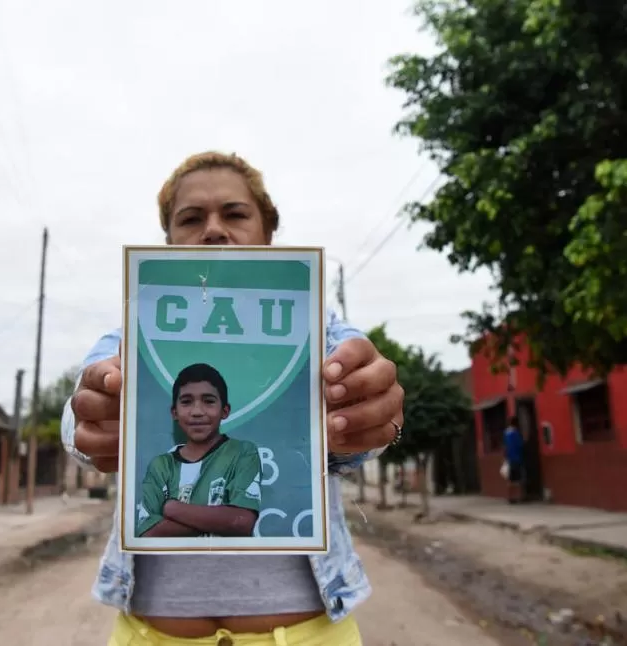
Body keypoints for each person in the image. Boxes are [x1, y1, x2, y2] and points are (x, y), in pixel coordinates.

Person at [64, 151, 405, 646]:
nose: (215, 230)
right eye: (192, 218)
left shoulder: (321, 328)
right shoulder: (132, 335)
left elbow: (362, 405)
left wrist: (369, 415)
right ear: (168, 243)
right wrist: (92, 423)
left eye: (236, 213)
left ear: (268, 234)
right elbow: (78, 409)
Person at [137, 363, 262, 539]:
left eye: (209, 401)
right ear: (174, 412)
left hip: (230, 565)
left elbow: (242, 522)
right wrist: (219, 519)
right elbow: (148, 533)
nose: (197, 411)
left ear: (224, 411)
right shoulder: (161, 466)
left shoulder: (242, 453)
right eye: (186, 402)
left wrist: (172, 508)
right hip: (173, 566)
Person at [504, 416, 524, 504]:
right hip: (517, 458)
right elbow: (520, 445)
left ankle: (510, 497)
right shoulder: (515, 433)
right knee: (518, 479)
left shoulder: (506, 433)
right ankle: (519, 497)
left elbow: (506, 447)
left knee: (510, 480)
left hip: (509, 459)